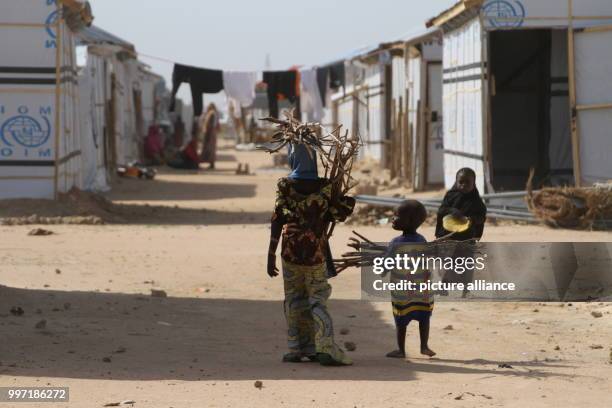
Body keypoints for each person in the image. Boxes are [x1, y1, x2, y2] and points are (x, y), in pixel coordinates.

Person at [267, 142, 355, 366]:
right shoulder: (326, 186)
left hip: (290, 252)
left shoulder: (285, 185)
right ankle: (324, 347)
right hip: (316, 252)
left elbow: (278, 218)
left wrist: (270, 254)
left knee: (294, 299)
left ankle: (297, 349)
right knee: (318, 299)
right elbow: (338, 212)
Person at [384, 200, 436, 359]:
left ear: (411, 221)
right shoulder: (422, 240)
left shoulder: (395, 243)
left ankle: (401, 350)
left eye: (397, 216)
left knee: (401, 320)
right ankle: (424, 346)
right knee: (424, 317)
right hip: (422, 288)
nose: (393, 219)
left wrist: (382, 269)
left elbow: (387, 262)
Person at [435, 167, 487, 297]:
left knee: (467, 264)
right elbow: (441, 211)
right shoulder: (450, 195)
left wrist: (472, 220)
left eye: (467, 183)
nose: (463, 185)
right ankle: (443, 287)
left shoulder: (476, 201)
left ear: (473, 183)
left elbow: (481, 217)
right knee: (447, 264)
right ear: (456, 181)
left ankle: (466, 291)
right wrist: (452, 211)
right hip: (449, 236)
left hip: (466, 238)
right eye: (460, 182)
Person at [199, 103, 220, 169]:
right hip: (213, 132)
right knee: (212, 149)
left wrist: (208, 133)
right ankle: (211, 163)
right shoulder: (215, 114)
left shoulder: (211, 114)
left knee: (209, 148)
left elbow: (210, 124)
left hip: (210, 132)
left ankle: (211, 164)